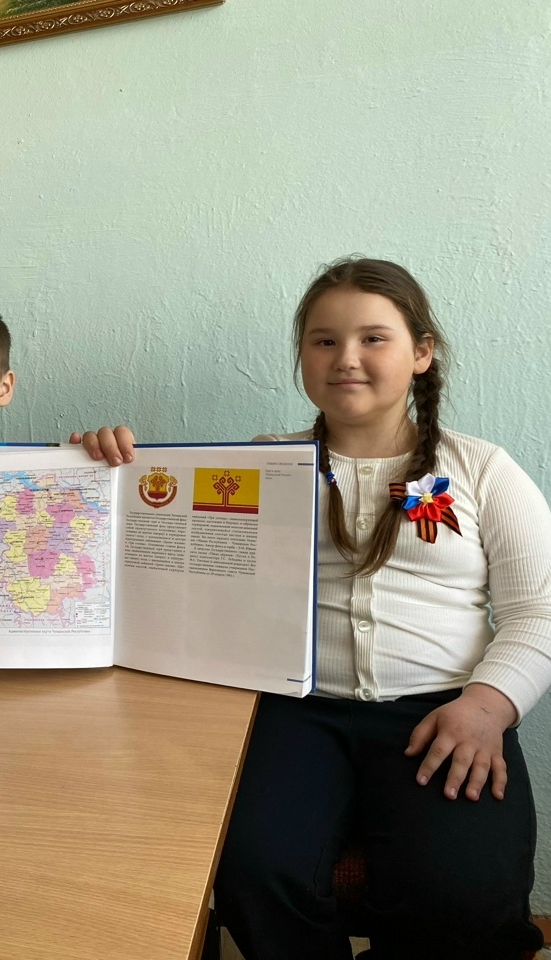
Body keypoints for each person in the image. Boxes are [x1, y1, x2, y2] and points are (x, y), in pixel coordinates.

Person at [86, 257, 549, 959]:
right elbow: (161, 566)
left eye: (374, 338)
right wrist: (93, 478)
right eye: (324, 340)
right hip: (291, 713)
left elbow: (540, 609)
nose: (346, 358)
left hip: (447, 711)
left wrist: (488, 707)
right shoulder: (257, 467)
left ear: (422, 353)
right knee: (254, 871)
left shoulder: (483, 470)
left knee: (463, 893)